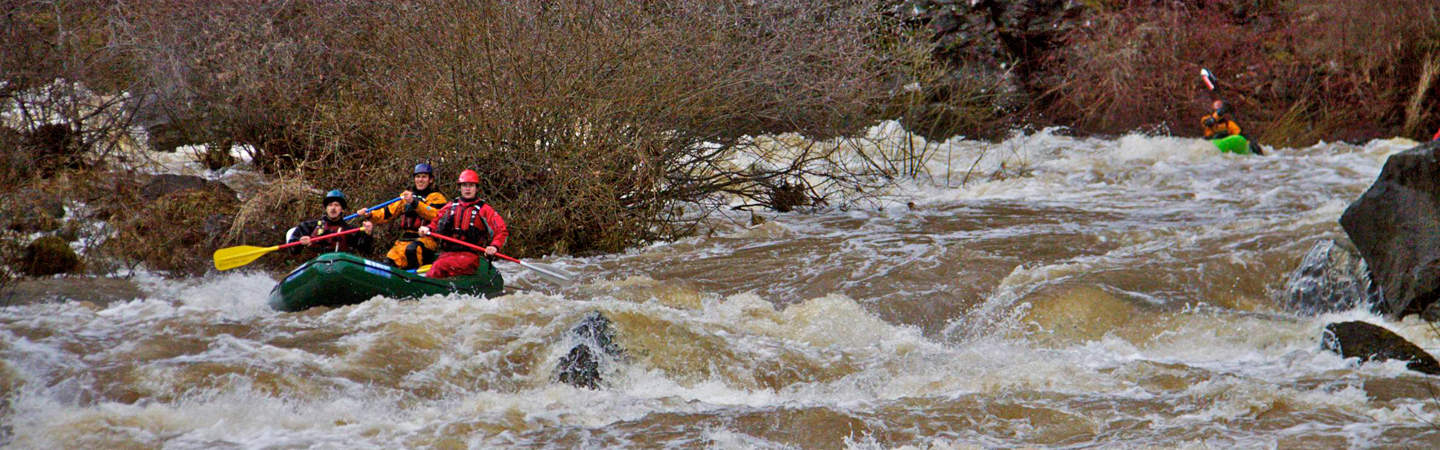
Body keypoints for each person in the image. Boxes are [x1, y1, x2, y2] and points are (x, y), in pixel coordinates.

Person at [418, 169, 508, 278]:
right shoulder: (450, 207)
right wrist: (427, 229)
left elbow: (501, 231)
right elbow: (436, 223)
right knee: (436, 267)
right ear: (460, 188)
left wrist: (494, 246)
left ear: (476, 188)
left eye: (471, 185)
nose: (467, 189)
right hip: (448, 253)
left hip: (470, 256)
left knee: (439, 266)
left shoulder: (484, 210)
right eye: (464, 185)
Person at [358, 163, 448, 270]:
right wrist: (370, 214)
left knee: (412, 250)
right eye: (418, 177)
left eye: (424, 177)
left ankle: (416, 280)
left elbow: (435, 215)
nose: (420, 180)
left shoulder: (437, 198)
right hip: (404, 240)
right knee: (389, 261)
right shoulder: (406, 197)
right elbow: (387, 212)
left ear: (431, 180)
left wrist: (415, 203)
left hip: (426, 240)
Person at [287, 189, 375, 255]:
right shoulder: (309, 226)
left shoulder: (351, 230)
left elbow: (366, 251)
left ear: (342, 210)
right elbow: (293, 250)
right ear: (326, 209)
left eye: (336, 205)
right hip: (316, 268)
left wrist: (368, 234)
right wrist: (300, 243)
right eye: (330, 205)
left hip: (340, 268)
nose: (333, 208)